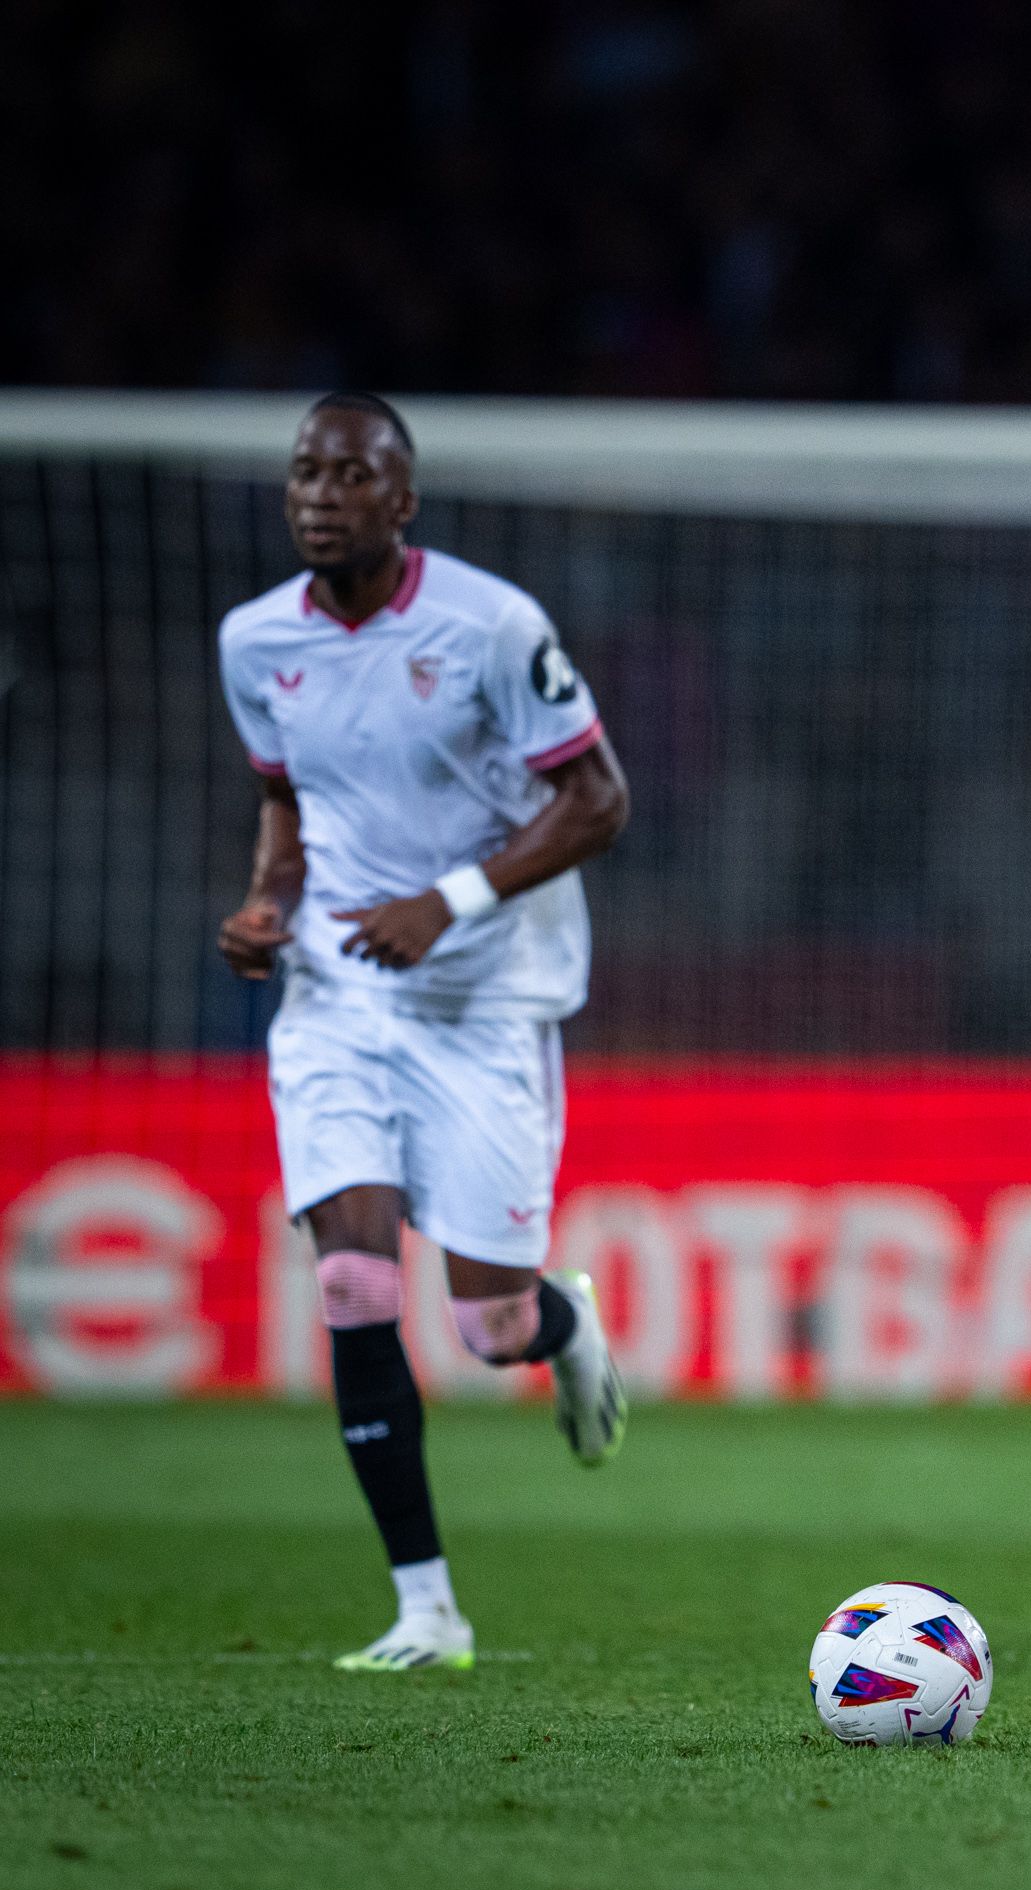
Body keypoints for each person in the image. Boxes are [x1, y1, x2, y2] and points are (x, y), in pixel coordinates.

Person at [215, 391, 632, 1673]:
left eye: (350, 475)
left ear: (402, 501)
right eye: (304, 472)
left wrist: (443, 904)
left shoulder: (491, 625)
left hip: (485, 994)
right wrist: (268, 902)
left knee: (483, 1327)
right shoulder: (253, 641)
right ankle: (426, 1607)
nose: (319, 493)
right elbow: (286, 803)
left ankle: (563, 1332)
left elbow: (599, 799)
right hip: (338, 993)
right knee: (352, 1277)